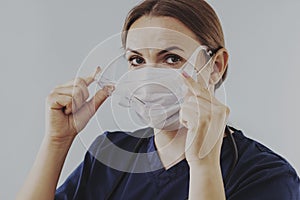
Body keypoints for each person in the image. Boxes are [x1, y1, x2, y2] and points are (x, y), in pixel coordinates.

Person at [17, 0, 300, 199]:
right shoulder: (112, 153)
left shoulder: (267, 175)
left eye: (172, 58)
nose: (149, 77)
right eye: (137, 60)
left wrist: (204, 166)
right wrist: (57, 142)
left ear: (216, 66)